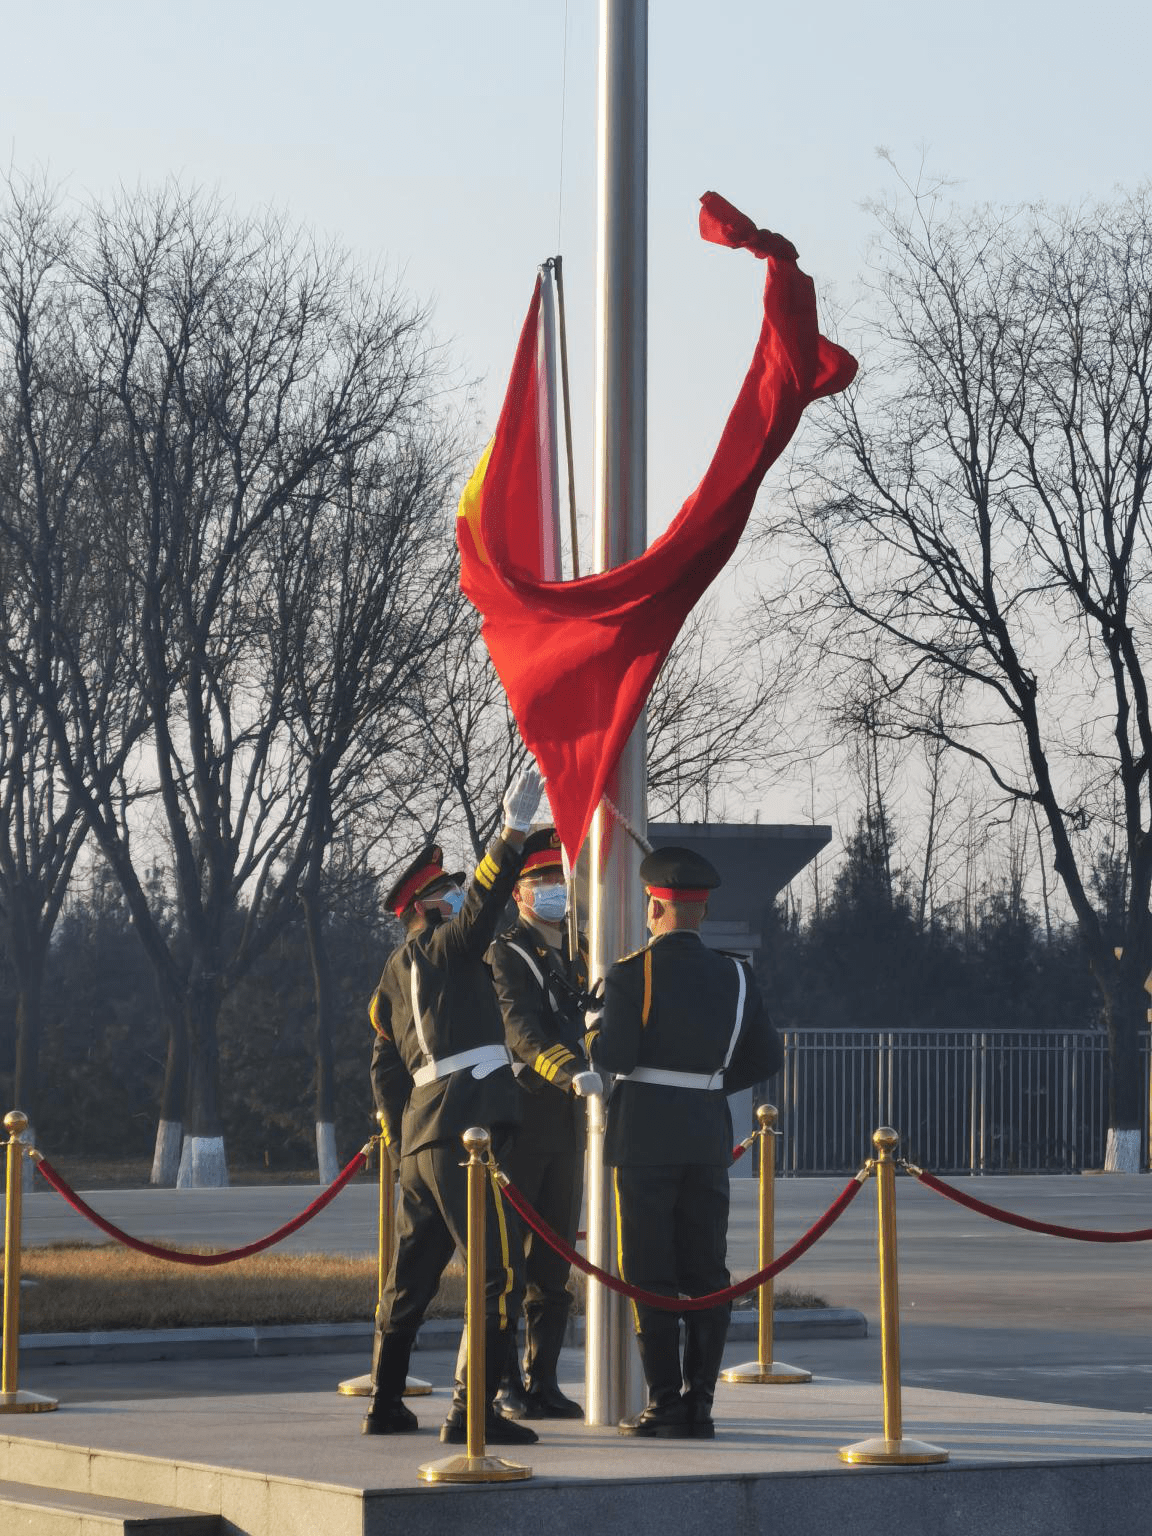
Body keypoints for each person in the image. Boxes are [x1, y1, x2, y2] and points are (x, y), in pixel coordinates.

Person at [361, 766, 543, 1446]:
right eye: (447, 889)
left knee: (410, 1277)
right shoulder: (442, 946)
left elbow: (384, 1061)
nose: (459, 895)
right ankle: (472, 1410)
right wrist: (513, 833)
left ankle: (385, 1401)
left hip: (422, 1134)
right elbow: (482, 915)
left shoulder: (391, 974)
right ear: (426, 904)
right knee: (497, 1274)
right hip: (468, 1127)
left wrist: (396, 1125)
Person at [586, 845, 784, 1440]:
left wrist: (591, 1031)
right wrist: (709, 1085)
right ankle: (701, 1404)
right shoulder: (737, 975)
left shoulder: (630, 972)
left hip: (645, 1133)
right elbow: (767, 1055)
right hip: (705, 1130)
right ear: (699, 912)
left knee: (649, 1272)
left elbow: (613, 1055)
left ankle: (664, 1404)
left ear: (655, 907)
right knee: (706, 1269)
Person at [487, 827, 601, 1420]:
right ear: (519, 895)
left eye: (558, 878)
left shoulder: (578, 956)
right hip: (521, 1119)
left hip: (566, 1125)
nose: (553, 889)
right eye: (540, 881)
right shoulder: (507, 952)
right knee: (509, 1266)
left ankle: (544, 1380)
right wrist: (569, 1070)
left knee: (554, 1266)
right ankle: (506, 1382)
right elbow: (521, 1031)